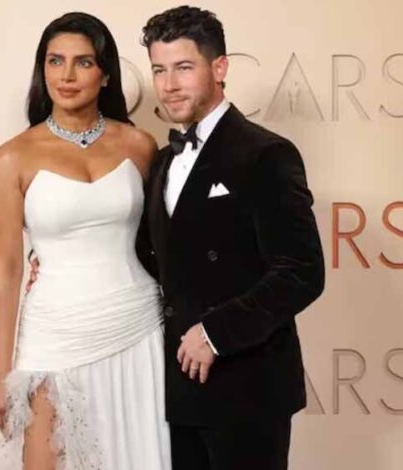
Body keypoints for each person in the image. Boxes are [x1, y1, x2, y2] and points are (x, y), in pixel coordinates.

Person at [0, 12, 170, 470]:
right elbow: (7, 269)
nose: (66, 75)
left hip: (137, 324)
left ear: (105, 74)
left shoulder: (140, 146)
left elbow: (161, 242)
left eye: (83, 62)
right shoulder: (12, 158)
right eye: (55, 61)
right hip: (54, 331)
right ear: (42, 70)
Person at [141, 6, 325, 470]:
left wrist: (215, 333)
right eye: (159, 70)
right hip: (180, 388)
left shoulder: (266, 154)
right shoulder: (161, 162)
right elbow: (151, 257)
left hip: (248, 387)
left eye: (184, 68)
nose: (169, 85)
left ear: (219, 67)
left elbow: (301, 272)